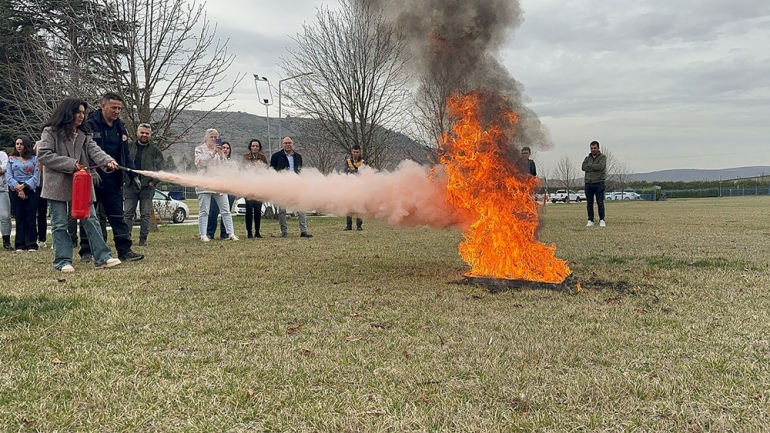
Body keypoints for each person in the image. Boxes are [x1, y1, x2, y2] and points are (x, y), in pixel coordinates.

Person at [36, 97, 122, 272]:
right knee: (60, 223)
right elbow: (43, 155)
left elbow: (94, 150)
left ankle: (103, 257)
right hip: (57, 185)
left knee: (91, 219)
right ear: (68, 113)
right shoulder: (50, 131)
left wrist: (108, 161)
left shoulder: (85, 133)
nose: (81, 116)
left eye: (83, 112)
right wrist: (71, 164)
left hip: (81, 185)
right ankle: (62, 261)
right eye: (78, 112)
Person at [83, 92, 144, 262]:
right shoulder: (89, 125)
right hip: (93, 178)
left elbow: (125, 154)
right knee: (89, 215)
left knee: (118, 216)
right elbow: (85, 150)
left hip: (114, 179)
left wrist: (133, 175)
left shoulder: (120, 127)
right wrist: (91, 171)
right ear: (103, 106)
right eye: (114, 108)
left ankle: (124, 250)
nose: (117, 111)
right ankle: (87, 251)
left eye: (119, 108)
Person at [123, 123, 164, 246]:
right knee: (128, 214)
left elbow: (161, 168)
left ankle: (143, 239)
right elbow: (122, 162)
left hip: (147, 187)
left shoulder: (155, 150)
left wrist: (153, 182)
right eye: (142, 132)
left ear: (150, 135)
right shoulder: (129, 146)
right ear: (137, 133)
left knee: (145, 214)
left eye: (147, 133)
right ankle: (127, 238)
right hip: (130, 185)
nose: (144, 135)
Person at [194, 129, 238, 242]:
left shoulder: (219, 150)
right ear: (206, 137)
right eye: (211, 137)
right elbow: (200, 163)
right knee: (204, 210)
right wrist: (213, 152)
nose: (213, 139)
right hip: (204, 182)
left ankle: (231, 233)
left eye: (215, 137)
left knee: (226, 210)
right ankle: (203, 234)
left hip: (218, 182)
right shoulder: (199, 149)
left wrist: (221, 154)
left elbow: (224, 165)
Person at [270, 136, 312, 238]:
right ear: (282, 144)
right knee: (282, 210)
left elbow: (300, 171)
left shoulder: (298, 157)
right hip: (282, 186)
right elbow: (272, 171)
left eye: (289, 143)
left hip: (296, 185)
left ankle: (303, 231)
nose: (288, 145)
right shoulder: (276, 156)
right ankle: (284, 231)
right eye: (286, 143)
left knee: (301, 208)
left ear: (292, 144)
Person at [6, 135, 41, 251]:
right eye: (17, 144)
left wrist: (25, 186)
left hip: (31, 189)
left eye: (21, 144)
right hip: (15, 189)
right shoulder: (11, 159)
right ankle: (20, 244)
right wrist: (18, 188)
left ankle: (31, 243)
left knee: (30, 216)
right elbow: (9, 176)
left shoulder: (34, 159)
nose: (19, 146)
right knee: (19, 217)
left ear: (26, 145)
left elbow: (37, 175)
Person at [206, 141, 237, 239]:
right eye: (223, 147)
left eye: (227, 148)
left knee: (226, 212)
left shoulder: (232, 163)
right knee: (213, 212)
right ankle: (210, 233)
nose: (225, 149)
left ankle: (225, 234)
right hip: (217, 189)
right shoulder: (215, 161)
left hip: (230, 190)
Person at [242, 138, 267, 238]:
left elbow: (266, 170)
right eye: (253, 146)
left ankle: (257, 231)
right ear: (250, 147)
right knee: (249, 211)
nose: (255, 147)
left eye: (257, 146)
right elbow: (245, 169)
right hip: (248, 187)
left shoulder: (263, 158)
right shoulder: (246, 157)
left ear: (259, 147)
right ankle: (249, 232)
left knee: (257, 210)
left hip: (259, 187)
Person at [582, 140, 607, 227]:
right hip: (588, 183)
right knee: (589, 203)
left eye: (595, 148)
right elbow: (583, 167)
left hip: (599, 183)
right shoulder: (587, 158)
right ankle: (590, 220)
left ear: (598, 148)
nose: (593, 150)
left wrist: (590, 166)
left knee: (600, 202)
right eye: (591, 148)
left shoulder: (603, 157)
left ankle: (602, 219)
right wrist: (593, 166)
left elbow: (600, 167)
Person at [343, 144, 365, 231]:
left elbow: (363, 173)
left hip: (360, 187)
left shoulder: (363, 162)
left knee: (360, 206)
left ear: (359, 152)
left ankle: (359, 226)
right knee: (349, 206)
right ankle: (349, 225)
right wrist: (356, 171)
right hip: (349, 187)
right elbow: (345, 171)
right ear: (351, 152)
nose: (355, 154)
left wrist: (351, 171)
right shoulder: (348, 161)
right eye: (354, 152)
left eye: (357, 152)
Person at [33, 142, 48, 249]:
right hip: (35, 186)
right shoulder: (33, 159)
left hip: (47, 185)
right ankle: (34, 238)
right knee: (34, 213)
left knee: (43, 213)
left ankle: (42, 239)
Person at [0, 147, 12, 250]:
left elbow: (4, 168)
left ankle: (6, 241)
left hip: (2, 190)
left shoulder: (2, 155)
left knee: (5, 216)